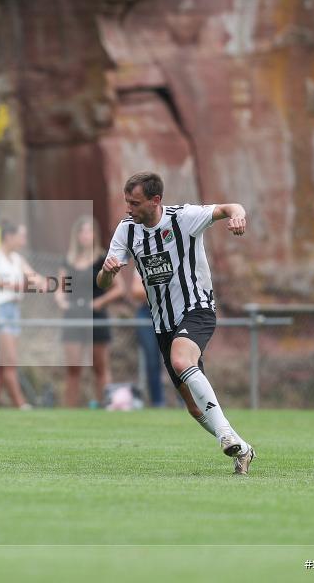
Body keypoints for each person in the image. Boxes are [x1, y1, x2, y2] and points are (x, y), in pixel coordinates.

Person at [97, 171, 255, 474]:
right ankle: (243, 448)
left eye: (135, 202)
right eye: (127, 202)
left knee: (182, 361)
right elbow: (102, 282)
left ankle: (225, 435)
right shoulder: (127, 230)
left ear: (155, 200)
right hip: (163, 323)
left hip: (197, 308)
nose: (128, 208)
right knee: (194, 407)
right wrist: (108, 272)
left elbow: (229, 207)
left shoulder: (184, 218)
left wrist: (238, 216)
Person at [0, 223, 47, 409]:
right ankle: (20, 403)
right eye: (21, 235)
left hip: (12, 310)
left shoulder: (17, 259)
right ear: (8, 236)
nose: (24, 240)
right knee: (10, 361)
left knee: (3, 365)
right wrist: (11, 286)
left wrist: (42, 282)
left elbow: (32, 276)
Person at [55, 216, 122, 408]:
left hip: (96, 317)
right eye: (81, 231)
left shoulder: (103, 259)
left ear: (95, 235)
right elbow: (61, 288)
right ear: (76, 236)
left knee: (100, 367)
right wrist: (61, 301)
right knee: (72, 369)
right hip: (73, 317)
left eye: (89, 231)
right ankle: (69, 411)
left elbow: (119, 288)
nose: (85, 235)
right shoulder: (67, 261)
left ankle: (106, 407)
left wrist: (100, 302)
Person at [130, 269, 166, 407]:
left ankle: (185, 401)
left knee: (178, 359)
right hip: (147, 313)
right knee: (152, 361)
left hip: (174, 311)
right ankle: (158, 402)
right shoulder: (144, 257)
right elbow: (136, 290)